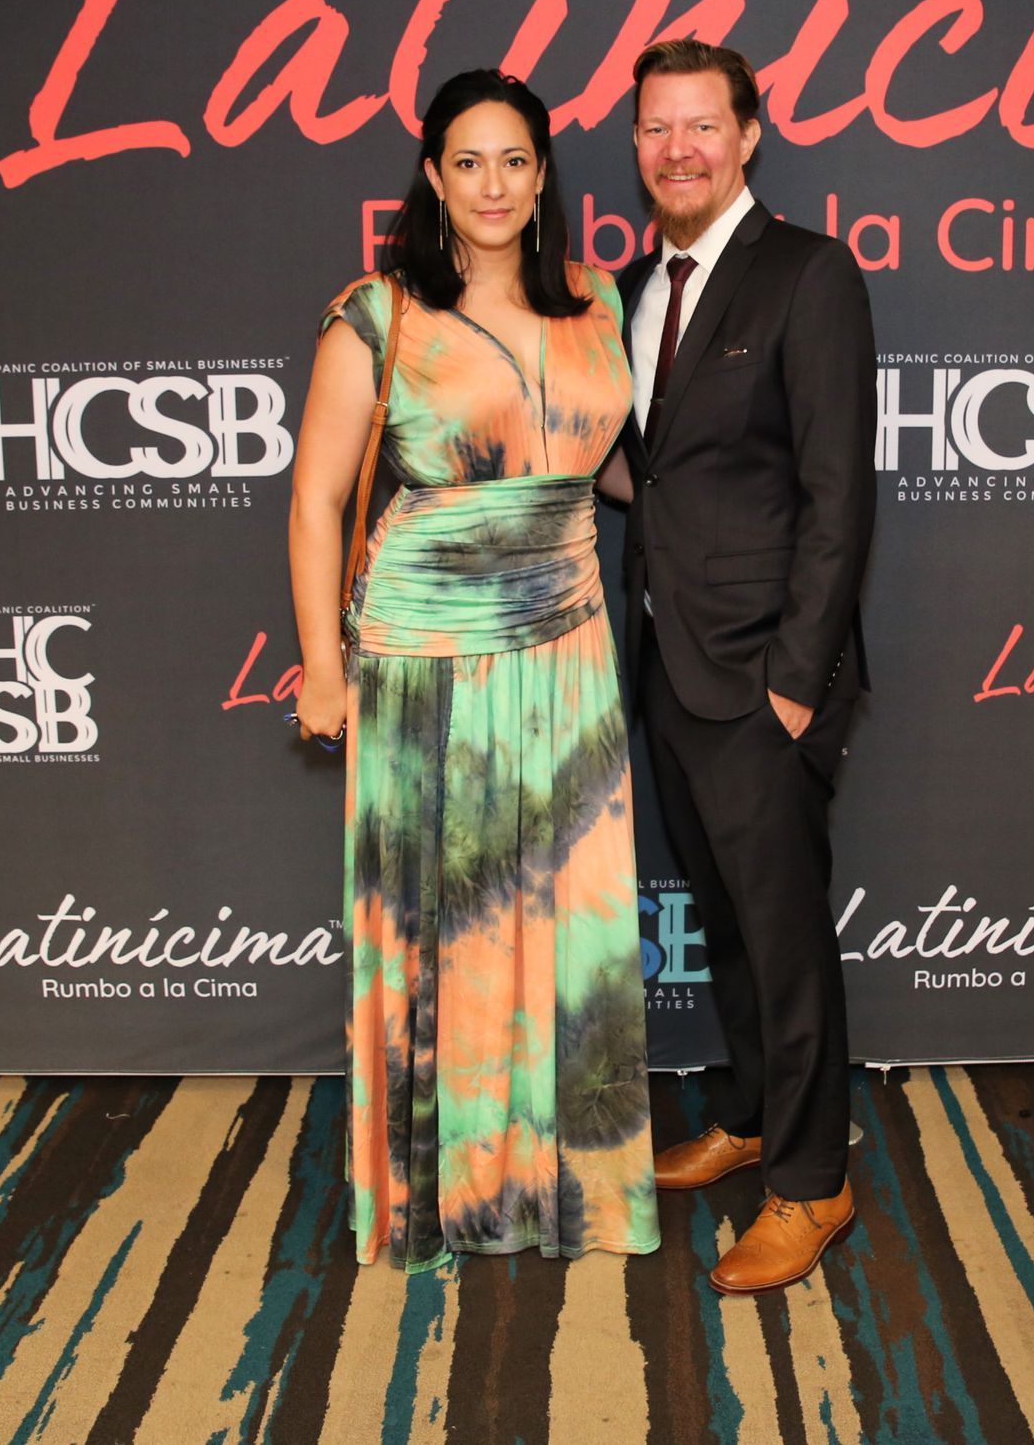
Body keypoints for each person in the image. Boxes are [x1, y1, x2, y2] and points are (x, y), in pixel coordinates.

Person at [289, 69, 656, 1273]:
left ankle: (565, 1186)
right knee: (448, 917)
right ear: (433, 177)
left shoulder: (598, 298)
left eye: (515, 160)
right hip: (428, 646)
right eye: (467, 161)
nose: (493, 184)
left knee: (566, 913)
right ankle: (444, 1193)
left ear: (543, 174)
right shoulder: (379, 313)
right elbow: (318, 498)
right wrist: (320, 668)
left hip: (568, 636)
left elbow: (597, 464)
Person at [617, 40, 876, 1295]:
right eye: (657, 129)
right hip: (667, 659)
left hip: (764, 673)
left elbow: (839, 494)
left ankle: (814, 1181)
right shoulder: (634, 284)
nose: (679, 149)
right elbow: (649, 469)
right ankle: (750, 1112)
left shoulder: (808, 274)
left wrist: (795, 676)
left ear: (749, 134)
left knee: (783, 935)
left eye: (701, 126)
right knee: (722, 918)